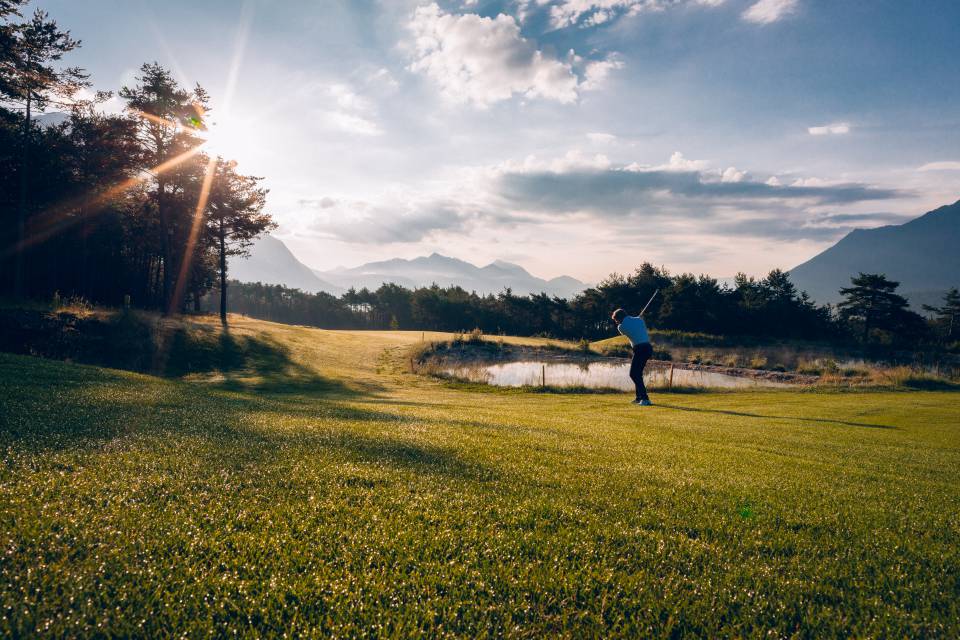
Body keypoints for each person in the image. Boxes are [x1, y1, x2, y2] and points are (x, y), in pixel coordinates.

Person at [611, 307, 653, 406]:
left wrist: (636, 319)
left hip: (640, 349)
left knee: (634, 374)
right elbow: (637, 325)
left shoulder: (621, 327)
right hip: (648, 348)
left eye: (616, 320)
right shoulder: (639, 320)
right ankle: (639, 398)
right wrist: (638, 319)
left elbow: (625, 328)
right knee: (637, 373)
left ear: (620, 318)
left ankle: (645, 399)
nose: (616, 322)